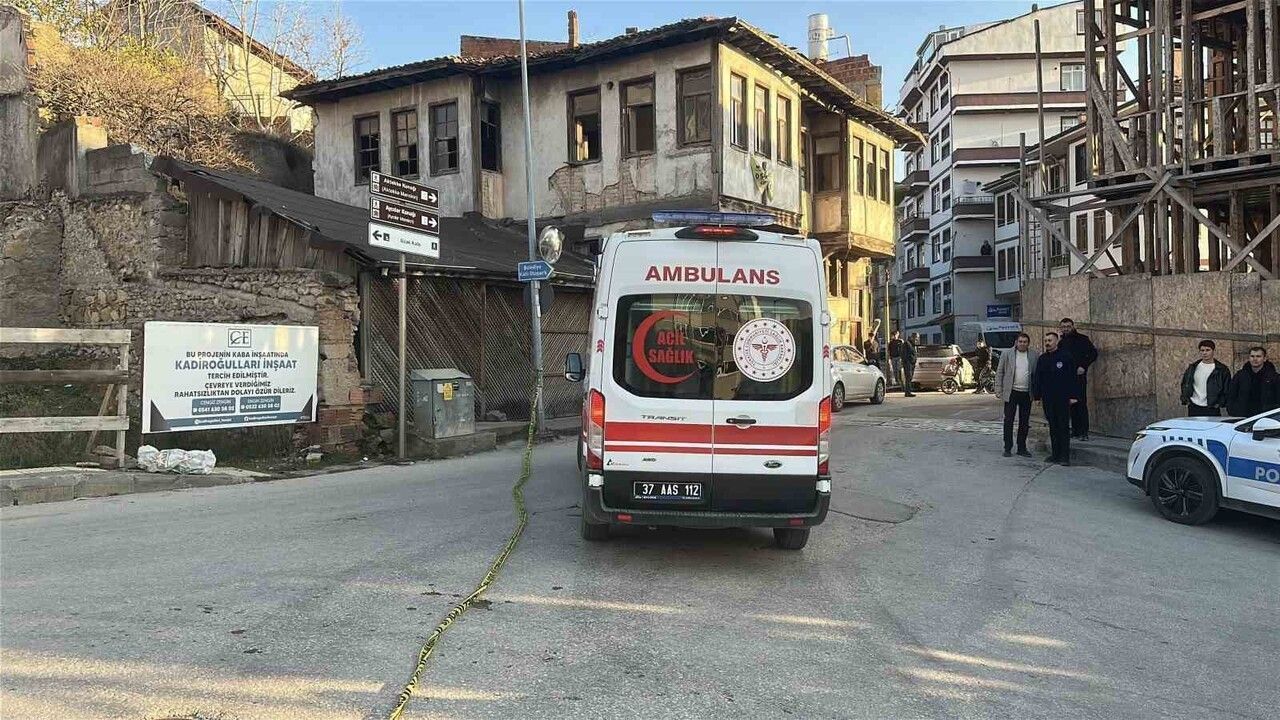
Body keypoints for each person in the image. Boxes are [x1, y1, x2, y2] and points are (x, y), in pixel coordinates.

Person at [1032, 331, 1078, 465]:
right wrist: (1037, 396)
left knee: (1063, 427)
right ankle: (1055, 454)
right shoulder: (1042, 359)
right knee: (1053, 426)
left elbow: (1072, 377)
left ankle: (1064, 457)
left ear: (1056, 341)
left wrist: (1073, 395)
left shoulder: (1065, 357)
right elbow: (1038, 378)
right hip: (1048, 398)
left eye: (1050, 340)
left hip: (1062, 398)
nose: (1047, 343)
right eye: (1046, 341)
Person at [995, 332, 1038, 458]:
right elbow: (1000, 372)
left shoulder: (1034, 355)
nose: (1022, 344)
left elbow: (1036, 374)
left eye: (1025, 342)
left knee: (1024, 422)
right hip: (1011, 392)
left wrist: (1037, 394)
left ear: (1028, 343)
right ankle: (1007, 447)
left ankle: (1022, 447)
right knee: (1008, 420)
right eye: (1020, 341)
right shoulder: (1007, 354)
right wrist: (998, 389)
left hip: (1026, 393)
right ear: (1016, 342)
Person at [1058, 318, 1098, 440]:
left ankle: (1084, 432)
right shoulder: (1061, 343)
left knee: (1081, 404)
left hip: (1079, 376)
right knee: (1070, 404)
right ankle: (1075, 430)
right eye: (1064, 327)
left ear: (1073, 326)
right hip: (1066, 378)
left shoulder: (1083, 339)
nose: (1066, 329)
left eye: (1068, 326)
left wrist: (1083, 366)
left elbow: (1093, 354)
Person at [1179, 340, 1231, 416]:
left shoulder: (1222, 369)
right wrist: (1186, 399)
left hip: (1212, 407)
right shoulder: (1193, 367)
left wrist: (1219, 403)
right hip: (1194, 406)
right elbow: (1185, 383)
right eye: (1202, 350)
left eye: (1207, 350)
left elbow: (1227, 388)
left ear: (1213, 351)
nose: (1205, 353)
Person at [1227, 346, 1279, 418]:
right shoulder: (1240, 376)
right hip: (1242, 416)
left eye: (1258, 356)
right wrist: (1233, 411)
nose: (1255, 359)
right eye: (1252, 356)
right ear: (1249, 358)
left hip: (1265, 417)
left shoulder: (1274, 377)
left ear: (1264, 358)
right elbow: (1231, 394)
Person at [901, 332, 919, 397]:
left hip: (912, 363)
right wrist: (906, 362)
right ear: (912, 337)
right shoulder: (907, 343)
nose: (917, 340)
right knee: (908, 377)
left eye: (917, 338)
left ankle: (908, 391)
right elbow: (904, 354)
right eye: (916, 338)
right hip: (908, 363)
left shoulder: (913, 344)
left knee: (910, 377)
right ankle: (908, 392)